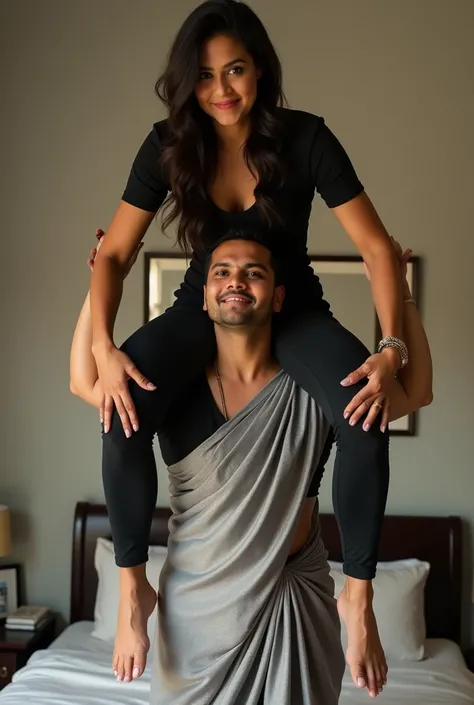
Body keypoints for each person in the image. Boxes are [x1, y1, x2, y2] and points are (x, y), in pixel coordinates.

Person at [87, 0, 418, 689]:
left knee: (365, 412)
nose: (223, 91)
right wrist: (103, 345)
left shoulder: (306, 138)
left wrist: (390, 348)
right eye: (205, 77)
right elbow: (114, 255)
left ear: (260, 69)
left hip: (289, 304)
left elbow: (378, 249)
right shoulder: (168, 145)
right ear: (188, 84)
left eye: (235, 69)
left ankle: (357, 596)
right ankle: (130, 590)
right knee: (119, 417)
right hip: (197, 306)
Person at [70, 229, 433, 702]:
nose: (235, 281)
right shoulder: (172, 389)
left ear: (278, 296)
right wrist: (102, 277)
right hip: (198, 613)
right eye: (221, 271)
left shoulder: (317, 387)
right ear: (203, 297)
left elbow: (417, 391)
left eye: (253, 272)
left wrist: (401, 295)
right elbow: (85, 382)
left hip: (295, 601)